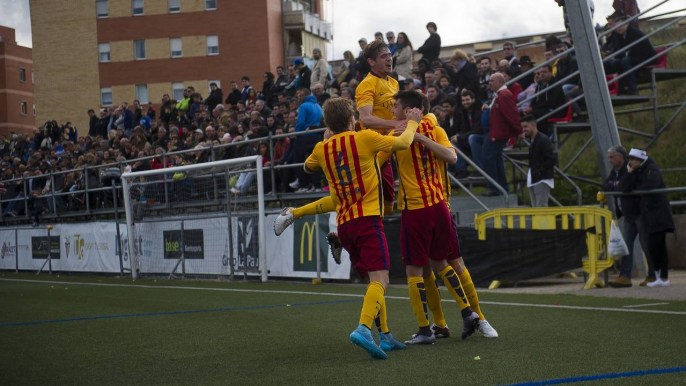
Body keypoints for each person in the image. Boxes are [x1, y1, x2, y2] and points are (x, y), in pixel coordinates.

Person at [290, 98, 417, 359]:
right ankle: (363, 328)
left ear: (327, 124)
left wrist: (327, 140)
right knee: (380, 280)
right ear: (352, 120)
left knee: (374, 281)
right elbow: (404, 143)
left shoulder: (322, 148)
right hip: (367, 220)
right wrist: (413, 122)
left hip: (344, 224)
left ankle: (385, 335)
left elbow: (307, 167)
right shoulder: (365, 138)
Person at [355, 40, 404, 216]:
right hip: (372, 149)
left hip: (390, 146)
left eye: (390, 55)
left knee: (389, 203)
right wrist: (395, 124)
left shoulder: (394, 83)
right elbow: (366, 119)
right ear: (371, 62)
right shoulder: (366, 84)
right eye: (384, 56)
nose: (389, 59)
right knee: (370, 198)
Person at [620, 149, 675, 287]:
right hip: (650, 214)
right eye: (629, 159)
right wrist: (629, 174)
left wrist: (636, 188)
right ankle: (658, 277)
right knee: (653, 246)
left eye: (633, 159)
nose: (630, 162)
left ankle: (662, 277)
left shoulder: (651, 168)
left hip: (659, 213)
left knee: (657, 245)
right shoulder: (635, 171)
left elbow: (650, 185)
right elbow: (624, 188)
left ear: (640, 159)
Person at [603, 145, 654, 288]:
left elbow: (624, 188)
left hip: (639, 212)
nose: (609, 160)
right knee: (626, 245)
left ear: (620, 157)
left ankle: (653, 274)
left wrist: (616, 185)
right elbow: (605, 186)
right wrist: (615, 184)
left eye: (612, 157)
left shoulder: (630, 168)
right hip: (628, 214)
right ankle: (625, 276)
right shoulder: (615, 172)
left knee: (645, 244)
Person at [483, 73, 521, 196]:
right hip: (496, 133)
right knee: (497, 159)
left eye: (492, 81)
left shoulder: (504, 95)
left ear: (500, 82)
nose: (490, 83)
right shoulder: (500, 95)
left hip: (498, 134)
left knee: (489, 158)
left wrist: (519, 131)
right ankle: (502, 187)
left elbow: (512, 114)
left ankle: (494, 187)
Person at [608, 13, 658, 95]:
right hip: (633, 58)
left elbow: (639, 51)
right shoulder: (619, 35)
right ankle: (620, 89)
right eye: (617, 27)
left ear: (627, 24)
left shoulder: (634, 33)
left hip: (646, 57)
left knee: (625, 61)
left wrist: (623, 56)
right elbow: (617, 50)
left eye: (620, 26)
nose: (619, 29)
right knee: (614, 63)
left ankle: (633, 88)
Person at [288, 88, 323, 192]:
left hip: (304, 135)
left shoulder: (303, 106)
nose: (299, 97)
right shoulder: (318, 106)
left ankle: (302, 184)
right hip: (316, 136)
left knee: (298, 158)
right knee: (315, 161)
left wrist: (297, 133)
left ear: (306, 95)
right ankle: (316, 186)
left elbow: (301, 122)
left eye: (301, 95)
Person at [521, 115, 556, 207]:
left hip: (541, 179)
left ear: (533, 125)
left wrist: (540, 171)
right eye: (523, 127)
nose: (524, 129)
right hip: (535, 178)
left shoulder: (542, 139)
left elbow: (552, 158)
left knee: (541, 208)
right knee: (536, 209)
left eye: (525, 126)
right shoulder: (534, 140)